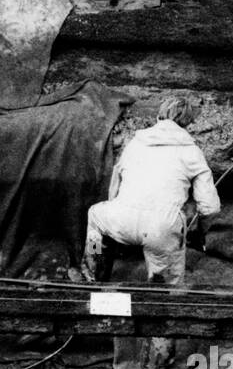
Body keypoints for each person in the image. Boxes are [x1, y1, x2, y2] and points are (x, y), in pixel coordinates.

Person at [80, 95, 220, 285]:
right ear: (187, 123)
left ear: (159, 116)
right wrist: (199, 231)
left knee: (95, 216)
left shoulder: (135, 142)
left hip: (119, 219)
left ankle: (94, 272)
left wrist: (119, 211)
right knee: (165, 288)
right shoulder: (192, 152)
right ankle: (161, 297)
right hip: (161, 229)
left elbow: (116, 180)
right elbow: (210, 208)